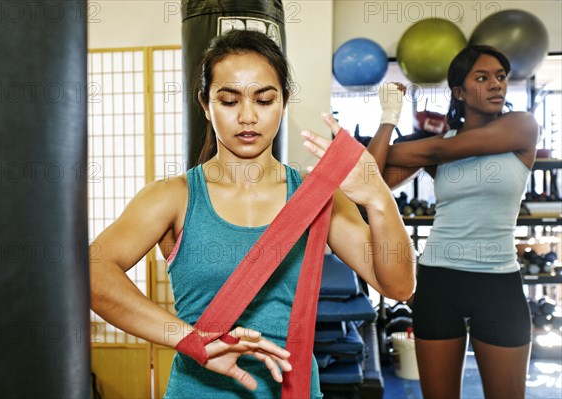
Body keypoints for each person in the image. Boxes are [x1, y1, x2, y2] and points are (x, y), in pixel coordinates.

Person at [90, 29, 415, 398]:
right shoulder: (173, 197)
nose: (247, 116)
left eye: (264, 100)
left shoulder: (317, 197)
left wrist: (378, 197)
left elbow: (399, 285)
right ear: (205, 106)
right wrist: (190, 340)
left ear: (284, 101)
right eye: (229, 101)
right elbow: (94, 272)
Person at [368, 45, 538, 399]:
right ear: (459, 92)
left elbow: (439, 152)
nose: (496, 85)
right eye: (482, 77)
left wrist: (411, 148)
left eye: (501, 77)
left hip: (498, 285)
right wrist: (388, 117)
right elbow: (369, 178)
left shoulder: (522, 127)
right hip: (438, 282)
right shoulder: (436, 144)